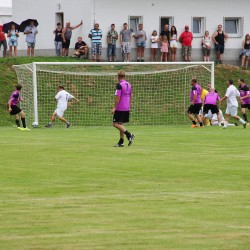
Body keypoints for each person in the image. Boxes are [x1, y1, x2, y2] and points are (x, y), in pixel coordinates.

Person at [112, 70, 134, 147]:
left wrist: (114, 107)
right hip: (126, 107)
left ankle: (129, 134)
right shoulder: (129, 84)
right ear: (124, 76)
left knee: (115, 124)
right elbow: (131, 96)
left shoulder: (119, 85)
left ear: (118, 76)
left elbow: (117, 97)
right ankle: (121, 142)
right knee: (120, 124)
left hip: (120, 107)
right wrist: (129, 105)